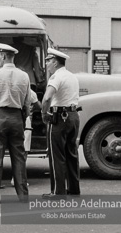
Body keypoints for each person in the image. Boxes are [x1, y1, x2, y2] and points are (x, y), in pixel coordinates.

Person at [0, 43, 31, 204]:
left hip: (0, 118)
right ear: (13, 57)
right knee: (19, 158)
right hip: (17, 117)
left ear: (2, 56)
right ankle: (23, 196)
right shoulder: (24, 76)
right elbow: (27, 103)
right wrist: (23, 119)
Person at [41, 48, 80, 199]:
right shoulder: (72, 76)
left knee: (56, 155)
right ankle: (74, 189)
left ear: (55, 62)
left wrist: (44, 114)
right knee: (71, 153)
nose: (47, 64)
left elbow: (46, 98)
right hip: (73, 116)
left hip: (59, 117)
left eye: (48, 61)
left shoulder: (56, 77)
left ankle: (58, 192)